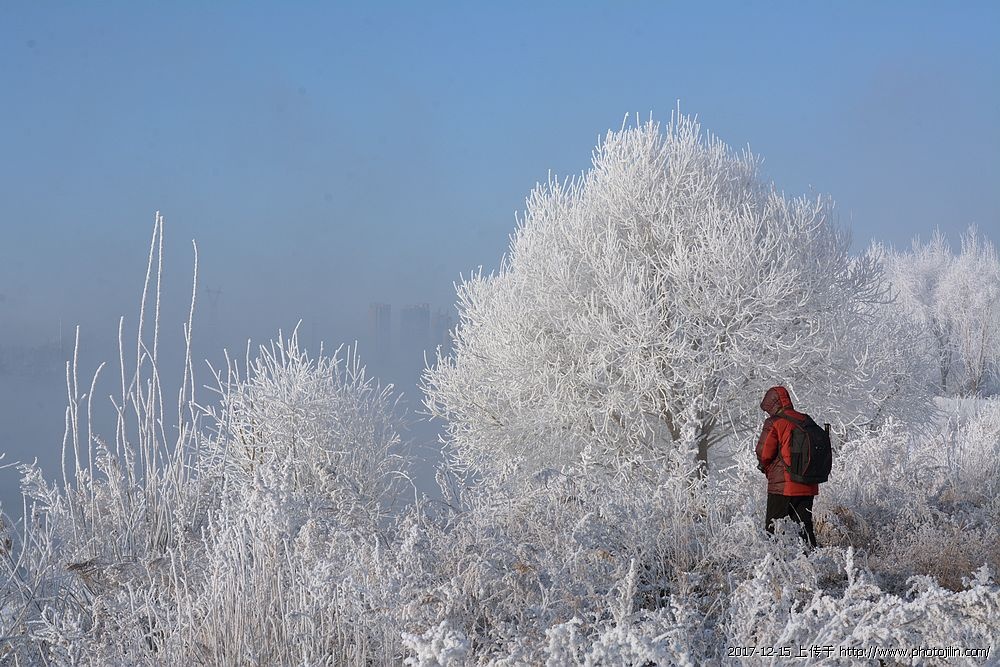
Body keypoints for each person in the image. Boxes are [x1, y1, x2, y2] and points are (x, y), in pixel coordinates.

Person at [755, 385, 818, 548]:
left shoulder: (775, 422)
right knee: (805, 529)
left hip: (782, 486)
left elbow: (764, 453)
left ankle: (774, 560)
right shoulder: (806, 420)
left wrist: (765, 467)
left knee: (773, 529)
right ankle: (813, 560)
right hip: (807, 483)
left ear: (772, 404)